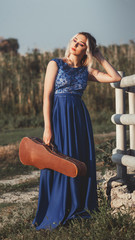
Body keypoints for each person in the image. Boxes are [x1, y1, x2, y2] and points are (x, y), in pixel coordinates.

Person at [32, 32, 121, 230]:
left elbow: (114, 77)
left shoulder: (86, 71)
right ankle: (56, 207)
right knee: (58, 158)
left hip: (79, 118)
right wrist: (47, 128)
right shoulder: (55, 63)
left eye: (81, 44)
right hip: (58, 116)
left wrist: (99, 56)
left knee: (79, 158)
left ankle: (79, 208)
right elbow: (47, 96)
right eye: (75, 40)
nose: (76, 44)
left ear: (86, 50)